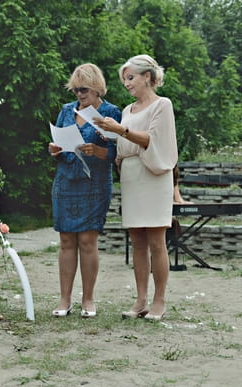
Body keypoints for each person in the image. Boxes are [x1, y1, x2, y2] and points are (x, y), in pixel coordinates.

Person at [94, 54, 178, 321]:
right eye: (124, 80)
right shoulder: (127, 111)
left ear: (147, 77)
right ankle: (140, 300)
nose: (127, 83)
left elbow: (152, 139)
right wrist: (109, 134)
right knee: (137, 241)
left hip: (154, 174)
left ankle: (159, 300)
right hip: (131, 174)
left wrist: (120, 130)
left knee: (157, 241)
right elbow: (124, 142)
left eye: (130, 78)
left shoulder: (162, 105)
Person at [48, 63, 122, 318]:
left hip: (95, 183)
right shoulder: (66, 111)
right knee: (66, 240)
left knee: (88, 241)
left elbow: (117, 152)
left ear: (97, 88)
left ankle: (88, 299)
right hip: (66, 181)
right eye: (76, 90)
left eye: (84, 89)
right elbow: (58, 141)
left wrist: (99, 151)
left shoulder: (111, 112)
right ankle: (64, 299)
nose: (79, 94)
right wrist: (54, 150)